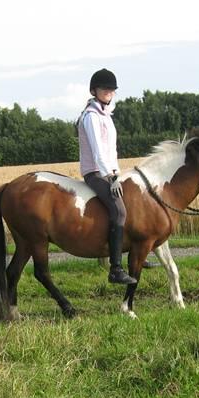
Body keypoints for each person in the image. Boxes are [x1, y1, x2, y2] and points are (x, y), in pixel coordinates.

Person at [77, 68, 137, 285]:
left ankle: (134, 253)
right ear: (94, 90)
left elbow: (112, 151)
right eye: (104, 88)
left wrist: (117, 174)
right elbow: (98, 152)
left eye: (111, 89)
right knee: (119, 210)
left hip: (109, 172)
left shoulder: (106, 115)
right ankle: (115, 269)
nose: (109, 91)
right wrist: (110, 178)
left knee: (130, 202)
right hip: (95, 173)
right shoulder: (91, 116)